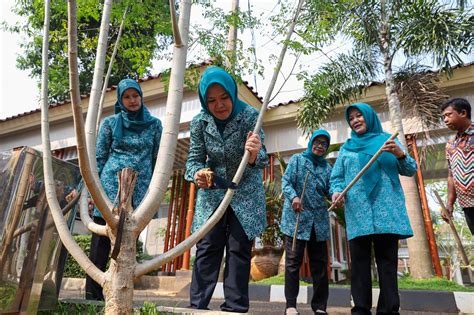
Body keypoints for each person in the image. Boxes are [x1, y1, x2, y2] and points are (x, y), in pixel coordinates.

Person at [184, 66, 268, 313]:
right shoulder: (200, 121)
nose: (219, 105)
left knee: (238, 248)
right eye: (211, 100)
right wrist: (196, 174)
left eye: (224, 98)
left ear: (232, 94)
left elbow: (262, 158)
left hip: (245, 192)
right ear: (204, 101)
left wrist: (253, 154)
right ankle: (196, 306)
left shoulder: (251, 116)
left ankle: (235, 307)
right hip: (213, 192)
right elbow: (194, 159)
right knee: (208, 246)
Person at [330, 102, 416, 315]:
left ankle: (389, 310)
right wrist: (336, 191)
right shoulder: (346, 148)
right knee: (359, 265)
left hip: (386, 211)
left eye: (359, 115)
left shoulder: (388, 141)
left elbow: (410, 170)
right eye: (351, 118)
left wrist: (400, 154)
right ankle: (360, 310)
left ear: (369, 117)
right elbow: (337, 178)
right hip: (358, 212)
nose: (355, 120)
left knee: (387, 265)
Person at [85, 78, 162, 300]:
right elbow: (99, 158)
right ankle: (93, 296)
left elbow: (157, 158)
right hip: (110, 188)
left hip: (139, 189)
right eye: (127, 97)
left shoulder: (155, 125)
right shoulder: (110, 123)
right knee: (101, 240)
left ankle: (120, 294)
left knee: (127, 242)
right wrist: (90, 191)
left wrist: (155, 191)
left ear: (141, 96)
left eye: (135, 95)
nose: (132, 100)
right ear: (120, 99)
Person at [280, 129, 332, 315]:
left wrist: (335, 194)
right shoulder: (297, 160)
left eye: (324, 144)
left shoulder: (327, 168)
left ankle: (319, 307)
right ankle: (291, 306)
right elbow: (285, 182)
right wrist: (294, 197)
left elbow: (330, 188)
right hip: (297, 220)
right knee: (293, 264)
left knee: (320, 266)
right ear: (311, 143)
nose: (320, 146)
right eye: (317, 142)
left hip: (318, 222)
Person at [440, 98, 473, 234]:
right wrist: (449, 203)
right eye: (443, 117)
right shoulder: (450, 144)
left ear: (463, 113)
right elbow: (451, 175)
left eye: (448, 115)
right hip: (467, 205)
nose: (445, 120)